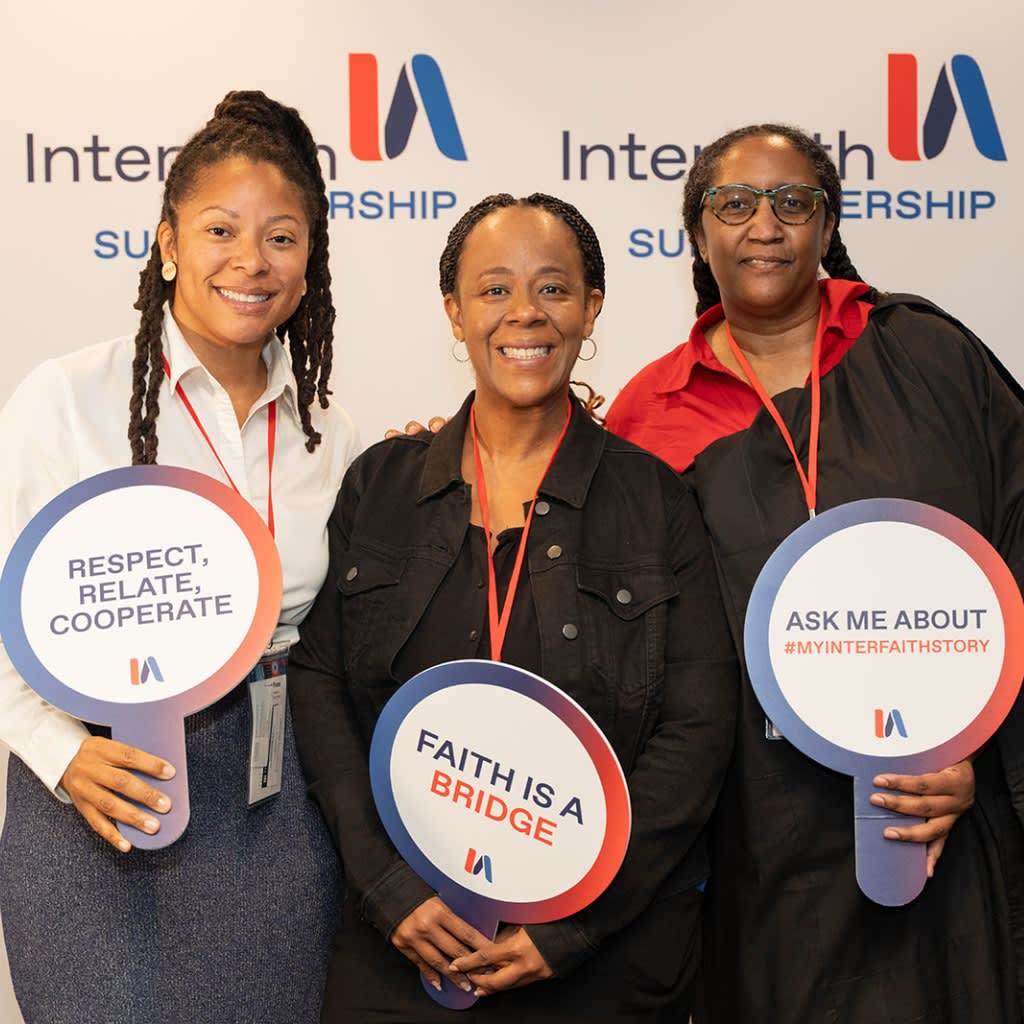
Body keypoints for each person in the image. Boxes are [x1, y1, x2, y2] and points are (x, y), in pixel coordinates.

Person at [604, 123, 1024, 1023]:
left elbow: (1015, 554)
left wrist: (982, 748)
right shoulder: (649, 412)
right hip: (762, 837)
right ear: (698, 230)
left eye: (794, 202)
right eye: (736, 203)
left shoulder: (931, 359)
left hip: (942, 810)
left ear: (827, 226)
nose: (766, 224)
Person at [288, 192, 738, 1021]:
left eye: (554, 289)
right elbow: (317, 685)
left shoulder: (655, 501)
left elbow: (697, 731)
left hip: (599, 964)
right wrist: (386, 888)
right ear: (454, 315)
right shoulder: (381, 485)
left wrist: (572, 923)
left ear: (591, 307)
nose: (523, 313)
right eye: (493, 289)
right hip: (398, 946)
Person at [0, 91, 358, 1024]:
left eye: (282, 236)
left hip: (272, 807)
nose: (251, 260)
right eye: (218, 229)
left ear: (310, 257)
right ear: (166, 242)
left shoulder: (333, 436)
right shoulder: (67, 398)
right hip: (95, 798)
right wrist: (59, 752)